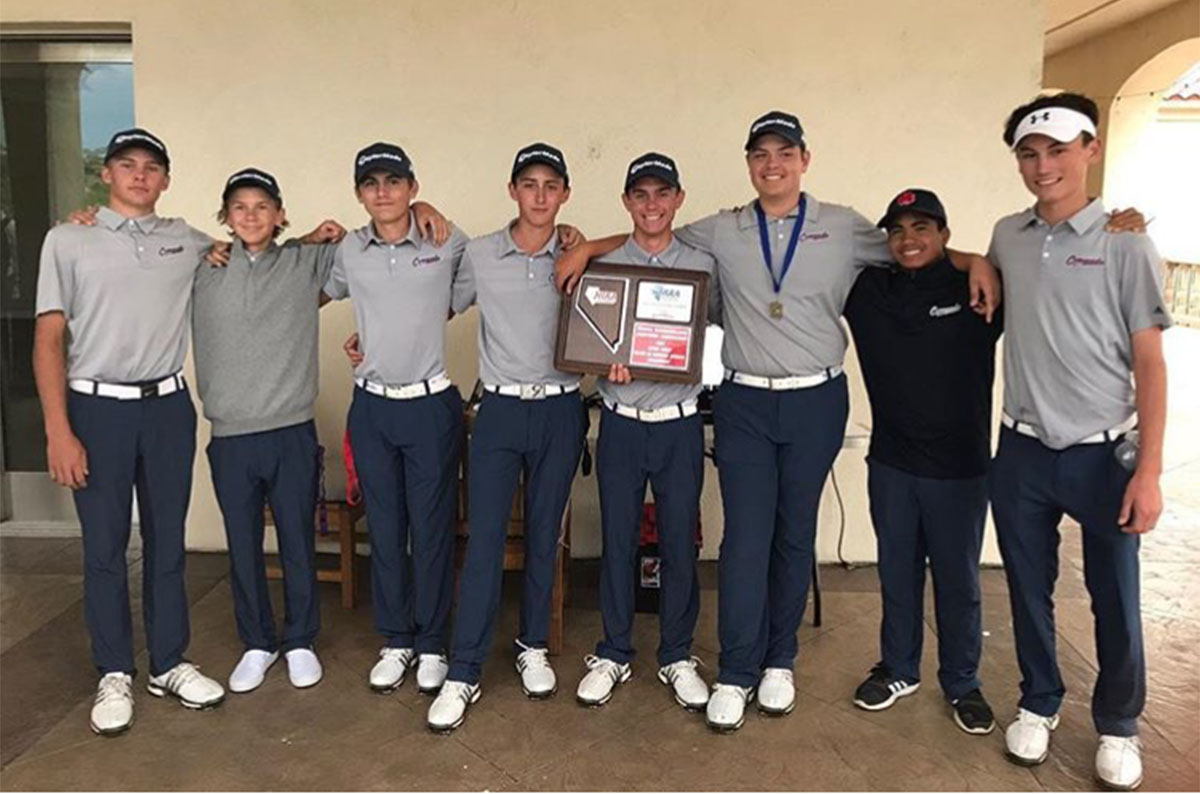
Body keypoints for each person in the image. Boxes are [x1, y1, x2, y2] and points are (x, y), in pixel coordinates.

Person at [556, 111, 1000, 732]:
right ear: (749, 164)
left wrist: (974, 258)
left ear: (804, 160)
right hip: (744, 403)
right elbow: (655, 234)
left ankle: (778, 662)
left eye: (784, 153)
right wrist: (587, 247)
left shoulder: (843, 227)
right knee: (744, 537)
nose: (772, 164)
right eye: (761, 154)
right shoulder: (725, 229)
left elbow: (913, 250)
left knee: (795, 534)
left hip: (815, 400)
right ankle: (736, 671)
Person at [987, 92, 1170, 790]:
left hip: (1104, 453)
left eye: (1058, 151)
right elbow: (994, 270)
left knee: (1114, 595)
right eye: (1030, 155)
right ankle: (1039, 702)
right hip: (1024, 448)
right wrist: (978, 262)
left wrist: (1148, 471)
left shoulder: (1127, 242)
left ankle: (1119, 724)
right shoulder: (1009, 235)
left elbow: (1150, 363)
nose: (1044, 167)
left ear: (1090, 150)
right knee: (1028, 588)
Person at [33, 128, 225, 735]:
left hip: (166, 407)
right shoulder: (68, 238)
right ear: (106, 176)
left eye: (151, 167)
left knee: (167, 543)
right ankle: (113, 669)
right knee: (106, 548)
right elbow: (48, 338)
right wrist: (58, 430)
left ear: (165, 179)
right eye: (126, 165)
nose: (139, 175)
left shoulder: (185, 240)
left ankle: (168, 661)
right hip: (97, 410)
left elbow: (251, 245)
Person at [420, 143, 586, 732]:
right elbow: (433, 302)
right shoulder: (482, 253)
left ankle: (532, 644)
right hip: (498, 411)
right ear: (513, 190)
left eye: (551, 186)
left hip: (562, 410)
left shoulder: (577, 254)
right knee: (485, 540)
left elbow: (638, 247)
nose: (540, 196)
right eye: (529, 184)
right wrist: (421, 204)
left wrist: (588, 244)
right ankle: (464, 669)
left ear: (564, 193)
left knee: (545, 536)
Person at [842, 188, 1002, 734]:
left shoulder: (976, 289)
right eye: (898, 231)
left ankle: (962, 682)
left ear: (945, 235)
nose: (909, 241)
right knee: (897, 572)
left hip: (959, 467)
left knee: (958, 580)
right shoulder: (869, 289)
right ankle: (899, 668)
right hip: (892, 461)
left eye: (922, 229)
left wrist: (977, 261)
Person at [321, 142, 469, 697]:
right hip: (373, 405)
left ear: (412, 186)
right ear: (360, 194)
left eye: (393, 181)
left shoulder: (446, 241)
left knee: (431, 529)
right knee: (385, 528)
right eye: (370, 183)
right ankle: (396, 639)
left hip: (430, 404)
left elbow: (485, 281)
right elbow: (306, 289)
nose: (382, 192)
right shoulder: (348, 252)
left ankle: (432, 642)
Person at [571, 153, 716, 714]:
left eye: (662, 193)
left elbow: (717, 331)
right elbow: (586, 339)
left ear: (678, 198)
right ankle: (613, 651)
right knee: (618, 540)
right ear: (626, 202)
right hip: (622, 425)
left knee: (679, 544)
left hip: (679, 424)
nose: (651, 204)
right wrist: (602, 362)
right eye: (641, 194)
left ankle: (677, 655)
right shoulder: (603, 264)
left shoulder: (702, 263)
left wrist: (697, 360)